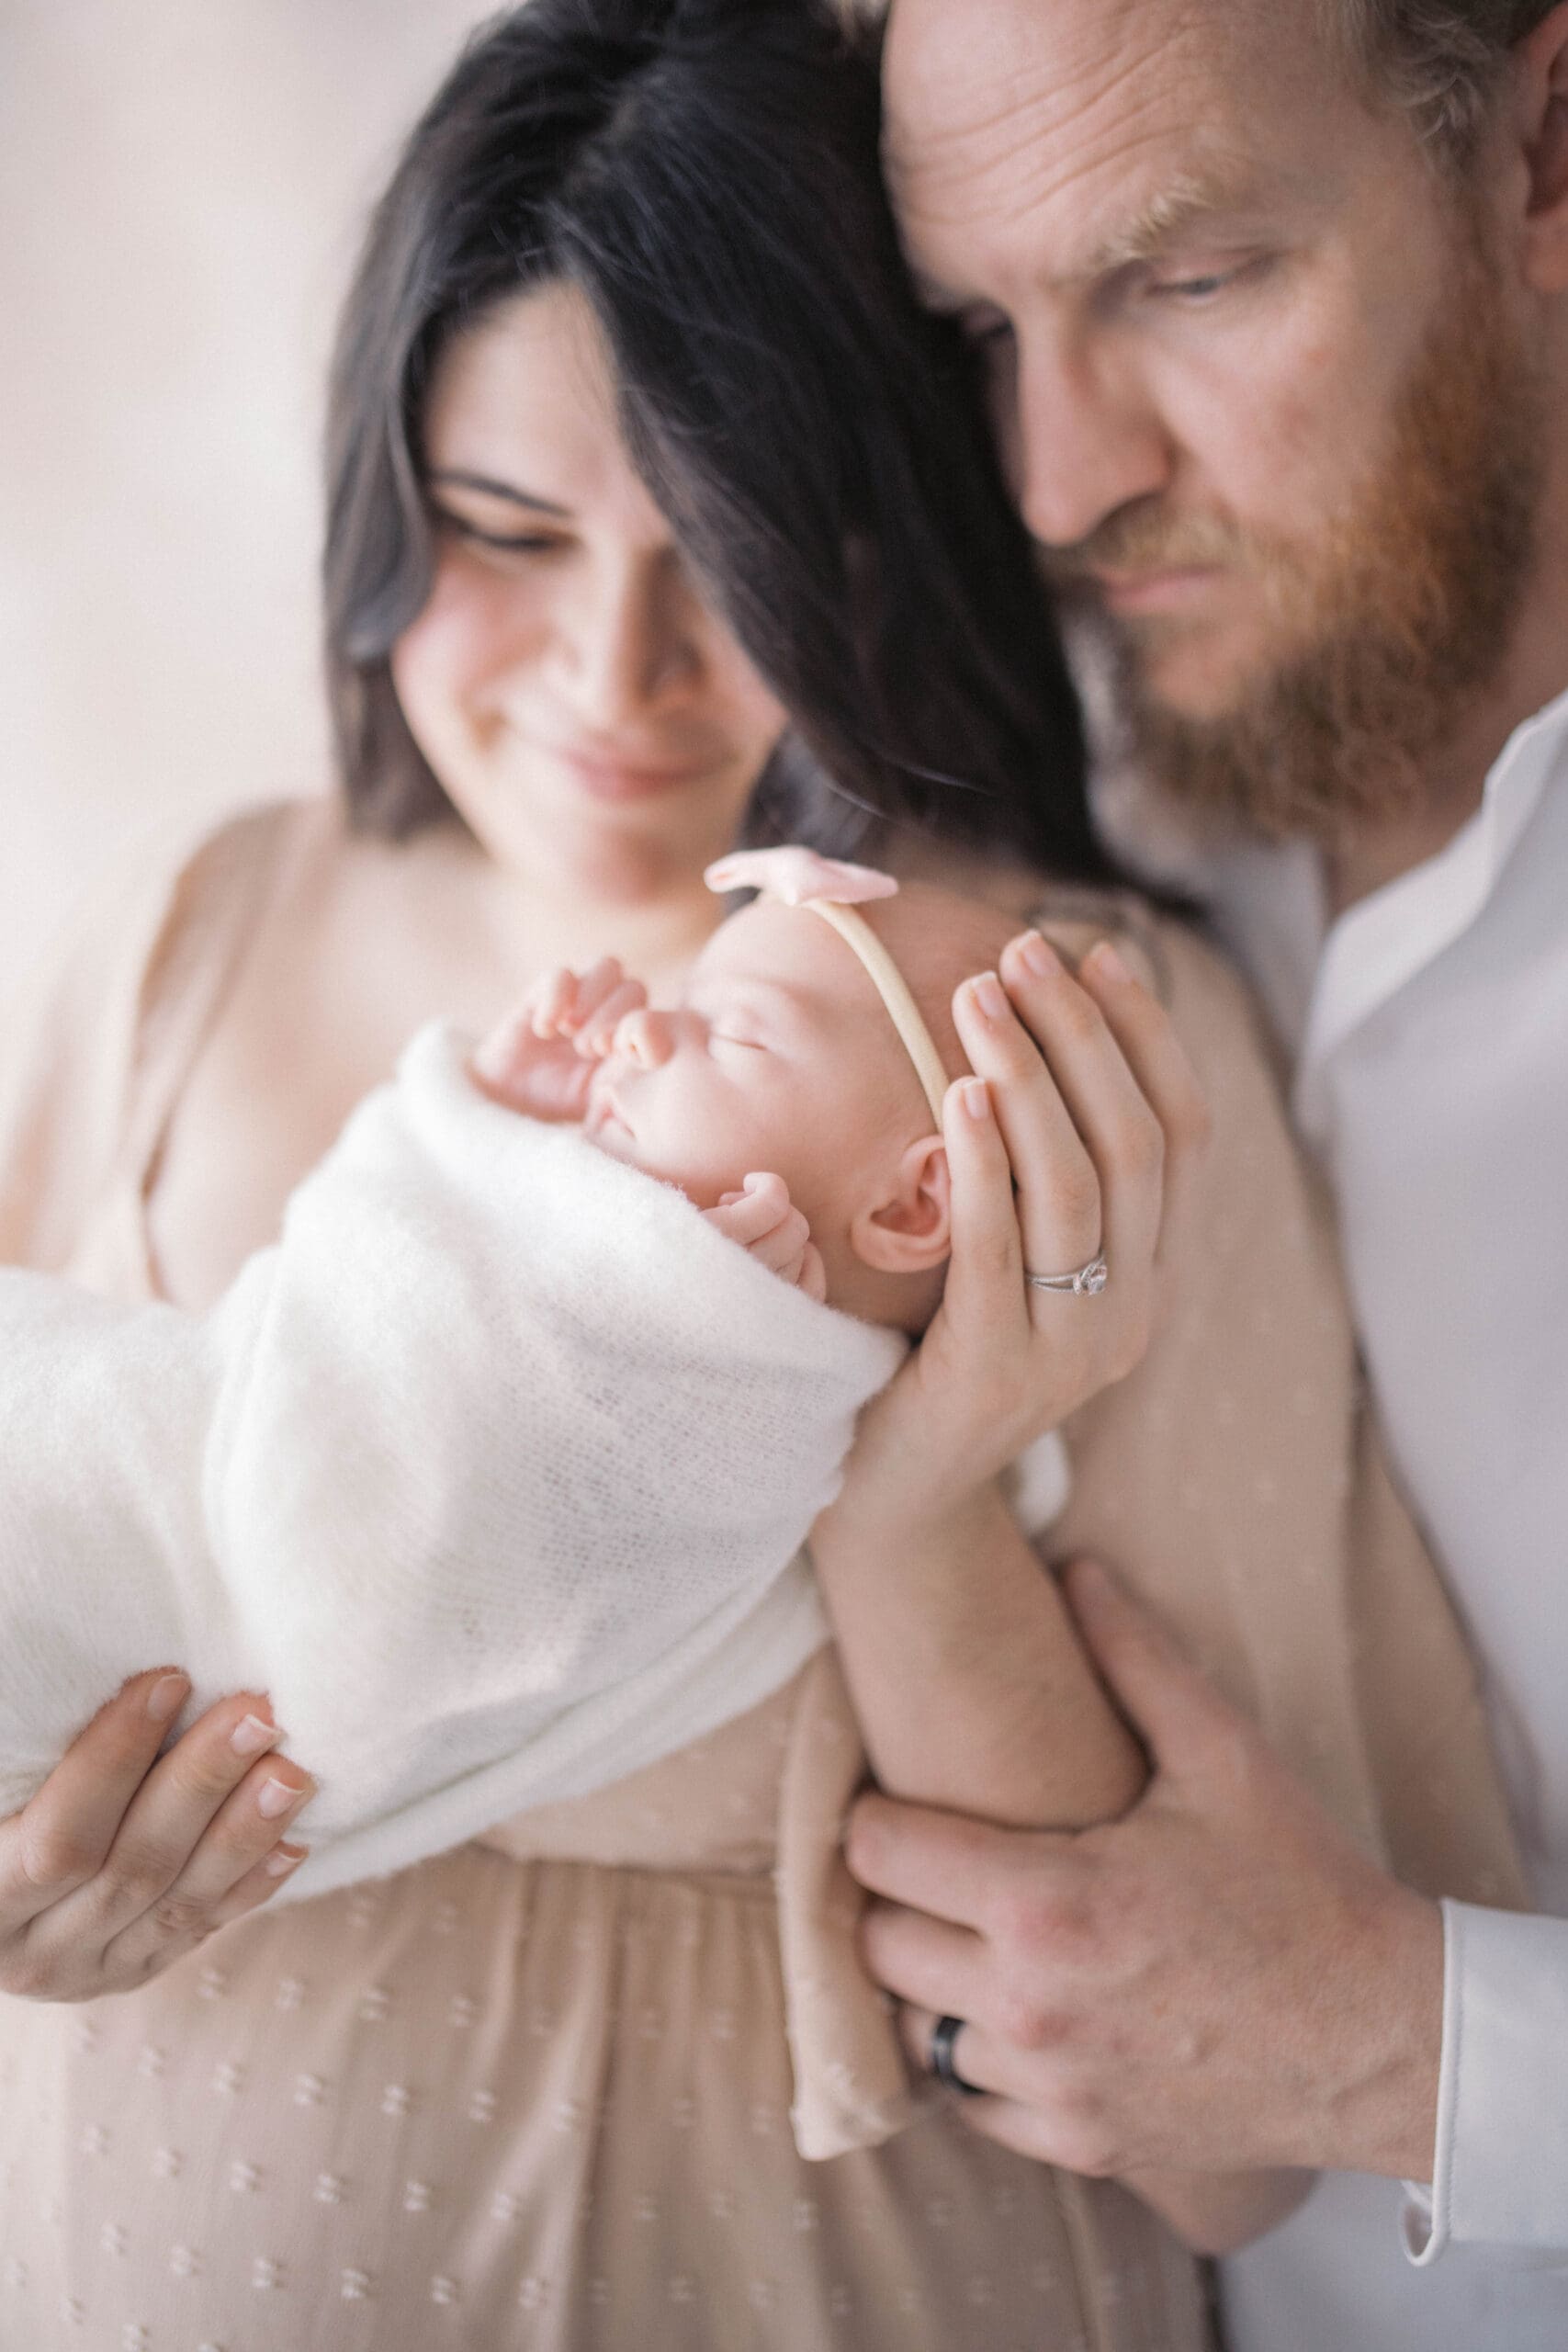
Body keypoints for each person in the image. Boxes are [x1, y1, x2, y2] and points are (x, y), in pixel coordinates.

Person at [0, 0, 1517, 2343]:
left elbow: (1236, 2134)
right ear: (381, 512)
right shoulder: (189, 936)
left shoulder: (1039, 1041)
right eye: (502, 532)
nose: (615, 676)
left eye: (718, 559)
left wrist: (913, 1492)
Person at [843, 0, 1568, 2345]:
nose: (1051, 484)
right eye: (978, 324)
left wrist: (1392, 2041)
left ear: (1542, 149)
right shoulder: (1029, 815)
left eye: (1184, 278)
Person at [0, 861, 1082, 1891]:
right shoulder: (198, 907)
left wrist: (675, 1345)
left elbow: (426, 1586)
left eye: (740, 1033)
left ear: (910, 1207)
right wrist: (488, 1131)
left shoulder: (758, 1436)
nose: (647, 1028)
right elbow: (341, 1305)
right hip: (154, 1437)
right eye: (687, 996)